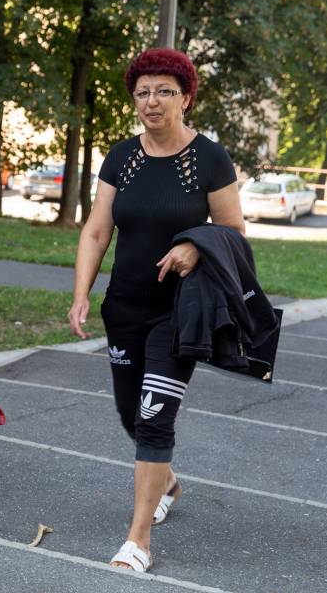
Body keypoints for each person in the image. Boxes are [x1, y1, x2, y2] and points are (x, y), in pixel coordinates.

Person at [67, 48, 246, 572]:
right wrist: (82, 292)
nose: (152, 101)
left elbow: (234, 230)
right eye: (143, 91)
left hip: (180, 311)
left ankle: (138, 539)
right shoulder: (121, 157)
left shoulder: (210, 158)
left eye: (164, 90)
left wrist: (195, 246)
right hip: (125, 307)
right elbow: (98, 229)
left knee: (154, 415)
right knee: (130, 411)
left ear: (186, 97)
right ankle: (166, 481)